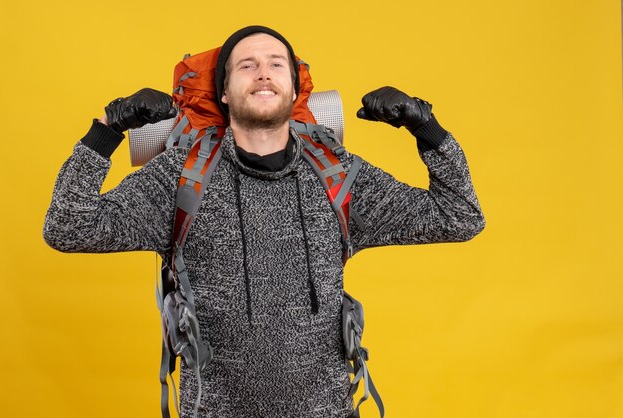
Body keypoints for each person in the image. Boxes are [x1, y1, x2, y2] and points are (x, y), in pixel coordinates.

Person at [44, 25, 485, 418]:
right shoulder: (181, 175)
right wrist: (105, 131)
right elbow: (68, 227)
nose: (263, 72)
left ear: (293, 90)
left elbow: (460, 216)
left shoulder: (339, 175)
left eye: (277, 64)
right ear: (223, 91)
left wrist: (428, 130)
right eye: (247, 65)